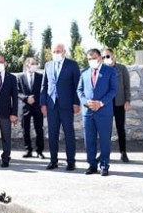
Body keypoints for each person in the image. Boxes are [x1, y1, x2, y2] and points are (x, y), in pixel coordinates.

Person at [40, 43, 81, 171]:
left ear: (64, 52)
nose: (56, 53)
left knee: (69, 133)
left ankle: (71, 162)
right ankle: (53, 161)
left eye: (59, 51)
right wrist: (43, 103)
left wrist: (76, 102)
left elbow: (77, 86)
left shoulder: (72, 65)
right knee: (52, 134)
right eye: (54, 51)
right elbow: (44, 86)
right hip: (52, 105)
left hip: (67, 105)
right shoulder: (48, 65)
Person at [77, 48, 118, 176]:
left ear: (100, 57)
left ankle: (104, 165)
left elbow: (113, 90)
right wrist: (85, 102)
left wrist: (100, 103)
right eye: (89, 59)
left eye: (93, 58)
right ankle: (92, 165)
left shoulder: (110, 71)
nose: (92, 61)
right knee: (89, 140)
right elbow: (80, 90)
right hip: (88, 112)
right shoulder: (84, 73)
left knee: (105, 139)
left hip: (104, 111)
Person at [102, 48, 131, 162]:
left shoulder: (121, 69)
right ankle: (105, 153)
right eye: (103, 57)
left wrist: (127, 100)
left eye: (107, 56)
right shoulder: (102, 69)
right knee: (106, 130)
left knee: (120, 128)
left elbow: (126, 86)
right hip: (106, 103)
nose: (105, 59)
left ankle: (123, 152)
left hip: (119, 103)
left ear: (113, 55)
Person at [17, 57, 45, 159]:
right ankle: (28, 150)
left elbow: (43, 91)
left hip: (37, 106)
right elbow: (17, 92)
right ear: (27, 65)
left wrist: (34, 98)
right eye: (32, 63)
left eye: (35, 63)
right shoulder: (20, 77)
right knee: (25, 130)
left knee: (39, 129)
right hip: (25, 107)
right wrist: (26, 98)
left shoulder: (40, 77)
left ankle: (40, 151)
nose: (34, 65)